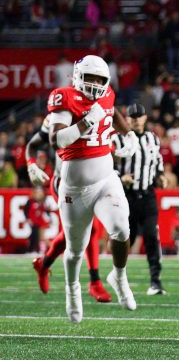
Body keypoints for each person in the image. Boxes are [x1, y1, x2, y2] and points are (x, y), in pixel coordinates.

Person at [47, 55, 140, 323]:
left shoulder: (107, 95)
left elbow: (113, 112)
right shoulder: (65, 97)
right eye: (91, 78)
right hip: (75, 189)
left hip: (105, 179)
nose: (96, 85)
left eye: (100, 80)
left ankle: (119, 276)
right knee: (76, 249)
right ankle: (72, 289)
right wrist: (87, 121)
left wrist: (129, 134)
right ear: (78, 76)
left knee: (121, 229)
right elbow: (57, 140)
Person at [28, 114, 112, 302]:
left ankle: (44, 264)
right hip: (65, 183)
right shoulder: (59, 113)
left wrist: (125, 138)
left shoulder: (99, 109)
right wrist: (31, 164)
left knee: (75, 233)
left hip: (91, 182)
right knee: (88, 229)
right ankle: (95, 281)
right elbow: (33, 144)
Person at [113, 103, 168, 295]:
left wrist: (161, 176)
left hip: (147, 194)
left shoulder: (152, 138)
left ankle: (156, 281)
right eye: (133, 116)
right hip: (126, 196)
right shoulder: (117, 139)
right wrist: (121, 178)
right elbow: (107, 165)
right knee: (126, 239)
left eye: (139, 116)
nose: (136, 120)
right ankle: (119, 277)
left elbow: (157, 161)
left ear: (145, 118)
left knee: (152, 236)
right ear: (126, 119)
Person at [24, 186, 50, 253]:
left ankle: (44, 249)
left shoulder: (43, 202)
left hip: (41, 221)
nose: (38, 194)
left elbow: (46, 212)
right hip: (34, 222)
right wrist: (28, 219)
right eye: (37, 192)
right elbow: (26, 210)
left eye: (40, 192)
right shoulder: (30, 201)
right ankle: (35, 249)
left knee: (41, 236)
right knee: (35, 235)